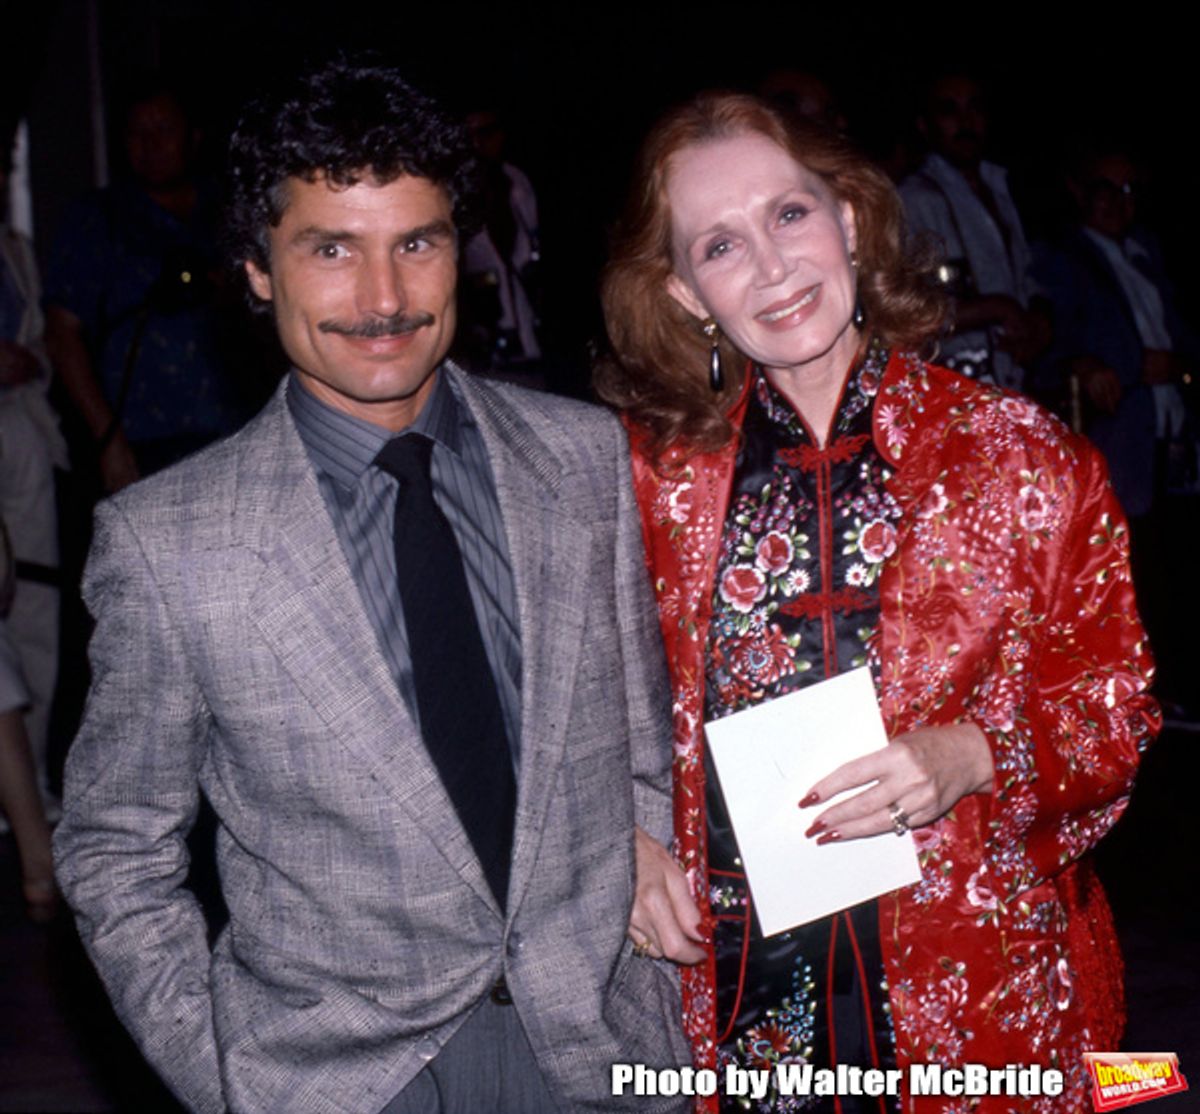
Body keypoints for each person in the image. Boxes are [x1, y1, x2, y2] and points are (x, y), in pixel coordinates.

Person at [54, 56, 688, 1114]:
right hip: (343, 1080)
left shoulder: (584, 461)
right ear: (258, 269)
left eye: (417, 243)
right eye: (332, 249)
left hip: (606, 1054)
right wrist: (228, 1081)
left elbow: (642, 737)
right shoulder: (166, 545)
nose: (383, 299)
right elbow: (116, 852)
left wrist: (644, 876)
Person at [597, 92, 1159, 1113]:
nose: (771, 265)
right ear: (682, 292)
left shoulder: (1023, 459)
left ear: (848, 220)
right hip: (740, 1005)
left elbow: (1117, 708)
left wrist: (976, 753)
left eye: (790, 214)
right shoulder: (645, 490)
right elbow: (569, 713)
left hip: (980, 986)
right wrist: (625, 845)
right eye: (720, 245)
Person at [899, 73, 1046, 392]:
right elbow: (906, 313)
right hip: (952, 391)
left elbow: (1029, 280)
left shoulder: (1001, 189)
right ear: (925, 125)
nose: (965, 121)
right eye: (949, 110)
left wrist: (1037, 323)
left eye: (975, 108)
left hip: (1013, 382)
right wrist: (995, 308)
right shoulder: (914, 199)